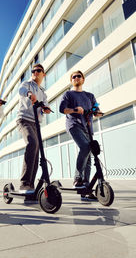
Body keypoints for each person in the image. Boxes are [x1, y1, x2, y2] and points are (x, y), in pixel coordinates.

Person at [59, 70, 102, 200]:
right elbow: (62, 109)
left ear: (83, 79)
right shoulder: (68, 94)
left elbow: (96, 108)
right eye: (74, 77)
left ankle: (86, 188)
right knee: (85, 148)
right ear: (71, 80)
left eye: (79, 76)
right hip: (74, 124)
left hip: (88, 127)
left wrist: (97, 112)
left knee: (89, 157)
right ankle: (77, 178)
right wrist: (74, 110)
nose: (76, 78)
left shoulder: (90, 95)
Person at [16, 63, 51, 193]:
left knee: (37, 150)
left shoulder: (43, 92)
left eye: (38, 70)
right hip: (24, 120)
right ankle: (24, 183)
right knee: (32, 143)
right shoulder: (27, 84)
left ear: (43, 74)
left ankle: (30, 184)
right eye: (33, 71)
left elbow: (45, 105)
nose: (35, 72)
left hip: (36, 123)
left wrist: (46, 109)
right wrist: (29, 94)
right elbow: (21, 91)